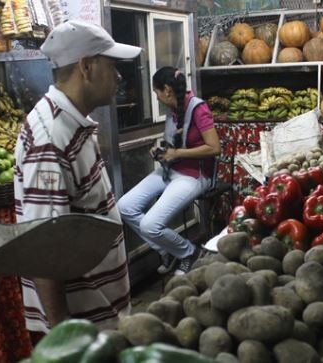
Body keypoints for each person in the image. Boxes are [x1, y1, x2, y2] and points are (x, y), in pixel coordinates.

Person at [13, 20, 142, 333]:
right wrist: (64, 335)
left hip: (102, 314)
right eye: (112, 66)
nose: (119, 76)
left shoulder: (75, 123)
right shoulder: (49, 138)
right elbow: (43, 248)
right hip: (81, 331)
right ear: (86, 67)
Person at [117, 66, 221, 276]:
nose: (156, 98)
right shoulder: (173, 110)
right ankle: (167, 249)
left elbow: (214, 148)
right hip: (170, 170)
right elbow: (173, 144)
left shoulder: (198, 108)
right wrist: (160, 151)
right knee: (124, 206)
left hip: (195, 175)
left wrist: (177, 153)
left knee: (150, 225)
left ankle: (189, 253)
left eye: (156, 93)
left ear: (166, 90)